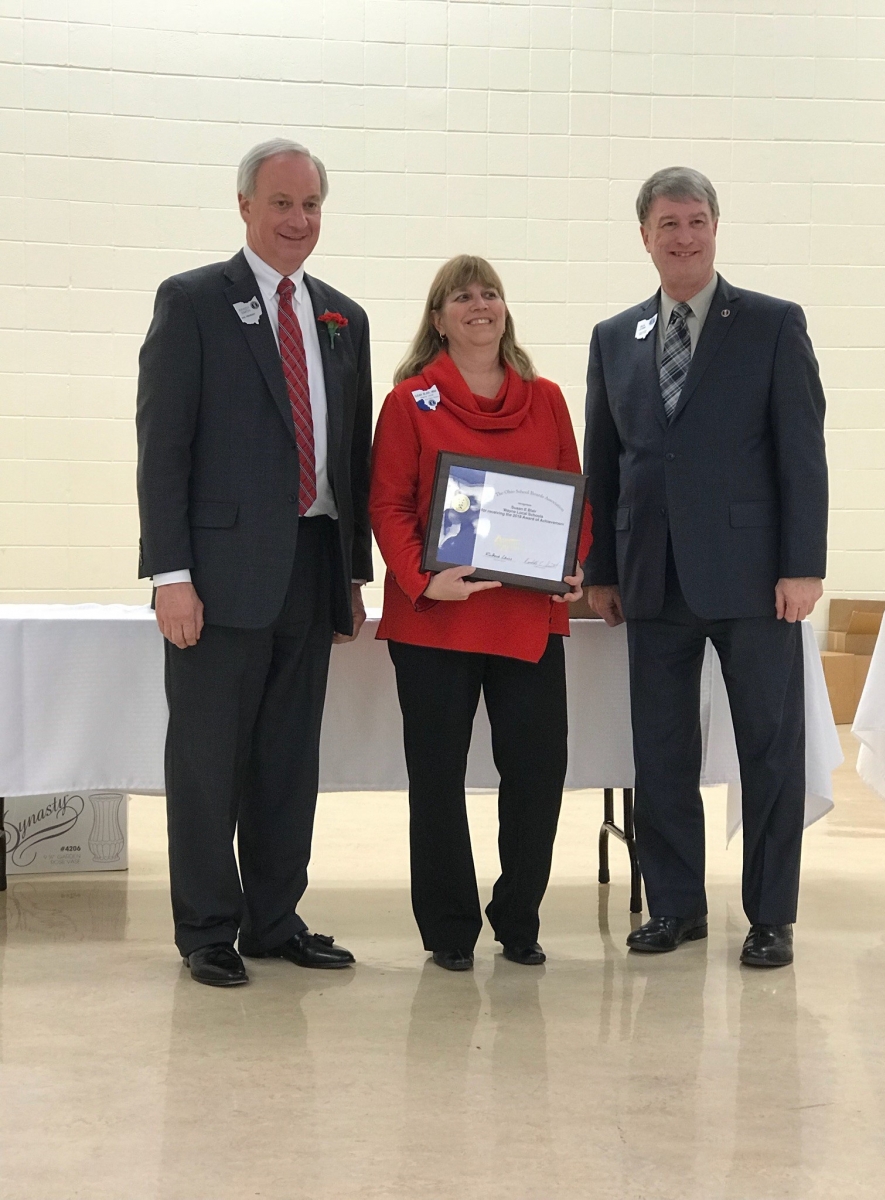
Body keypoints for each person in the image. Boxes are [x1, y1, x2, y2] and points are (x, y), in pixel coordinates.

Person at [136, 138, 372, 987]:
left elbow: (352, 453)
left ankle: (275, 920)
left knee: (286, 757)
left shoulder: (344, 316)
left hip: (311, 569)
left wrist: (351, 574)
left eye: (310, 206)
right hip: (218, 574)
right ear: (244, 207)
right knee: (206, 760)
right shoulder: (195, 301)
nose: (297, 221)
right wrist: (171, 575)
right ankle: (207, 928)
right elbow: (162, 449)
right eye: (281, 204)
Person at [583, 167, 828, 968]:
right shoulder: (616, 337)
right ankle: (677, 907)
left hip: (756, 580)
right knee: (660, 753)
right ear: (644, 236)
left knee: (767, 749)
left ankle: (770, 917)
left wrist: (802, 565)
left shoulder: (770, 323)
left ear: (716, 226)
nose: (682, 237)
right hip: (653, 580)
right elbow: (606, 463)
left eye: (695, 221)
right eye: (667, 224)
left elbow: (802, 456)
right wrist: (602, 567)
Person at [370, 255, 590, 972]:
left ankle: (519, 917)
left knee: (537, 774)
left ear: (505, 309)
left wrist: (570, 565)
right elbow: (389, 503)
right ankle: (449, 929)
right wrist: (423, 579)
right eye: (461, 296)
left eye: (489, 293)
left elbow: (571, 497)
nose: (479, 304)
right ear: (438, 319)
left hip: (526, 619)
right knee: (436, 779)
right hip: (435, 618)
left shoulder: (548, 398)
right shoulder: (410, 402)